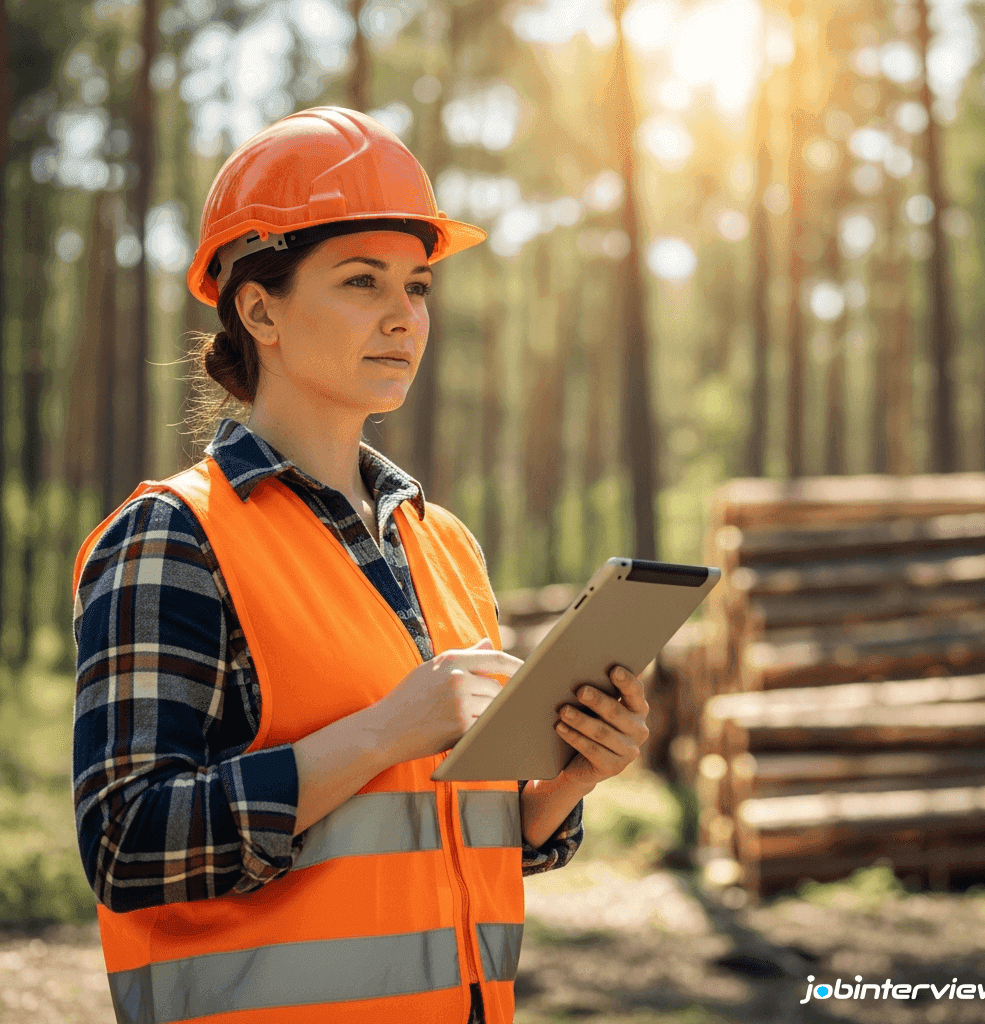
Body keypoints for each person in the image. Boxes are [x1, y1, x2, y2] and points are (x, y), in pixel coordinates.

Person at [72, 107, 650, 1024]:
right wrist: (383, 732)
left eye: (417, 287)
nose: (402, 316)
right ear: (259, 308)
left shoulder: (443, 544)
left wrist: (563, 783)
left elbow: (460, 840)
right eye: (360, 281)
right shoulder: (174, 537)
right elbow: (127, 844)